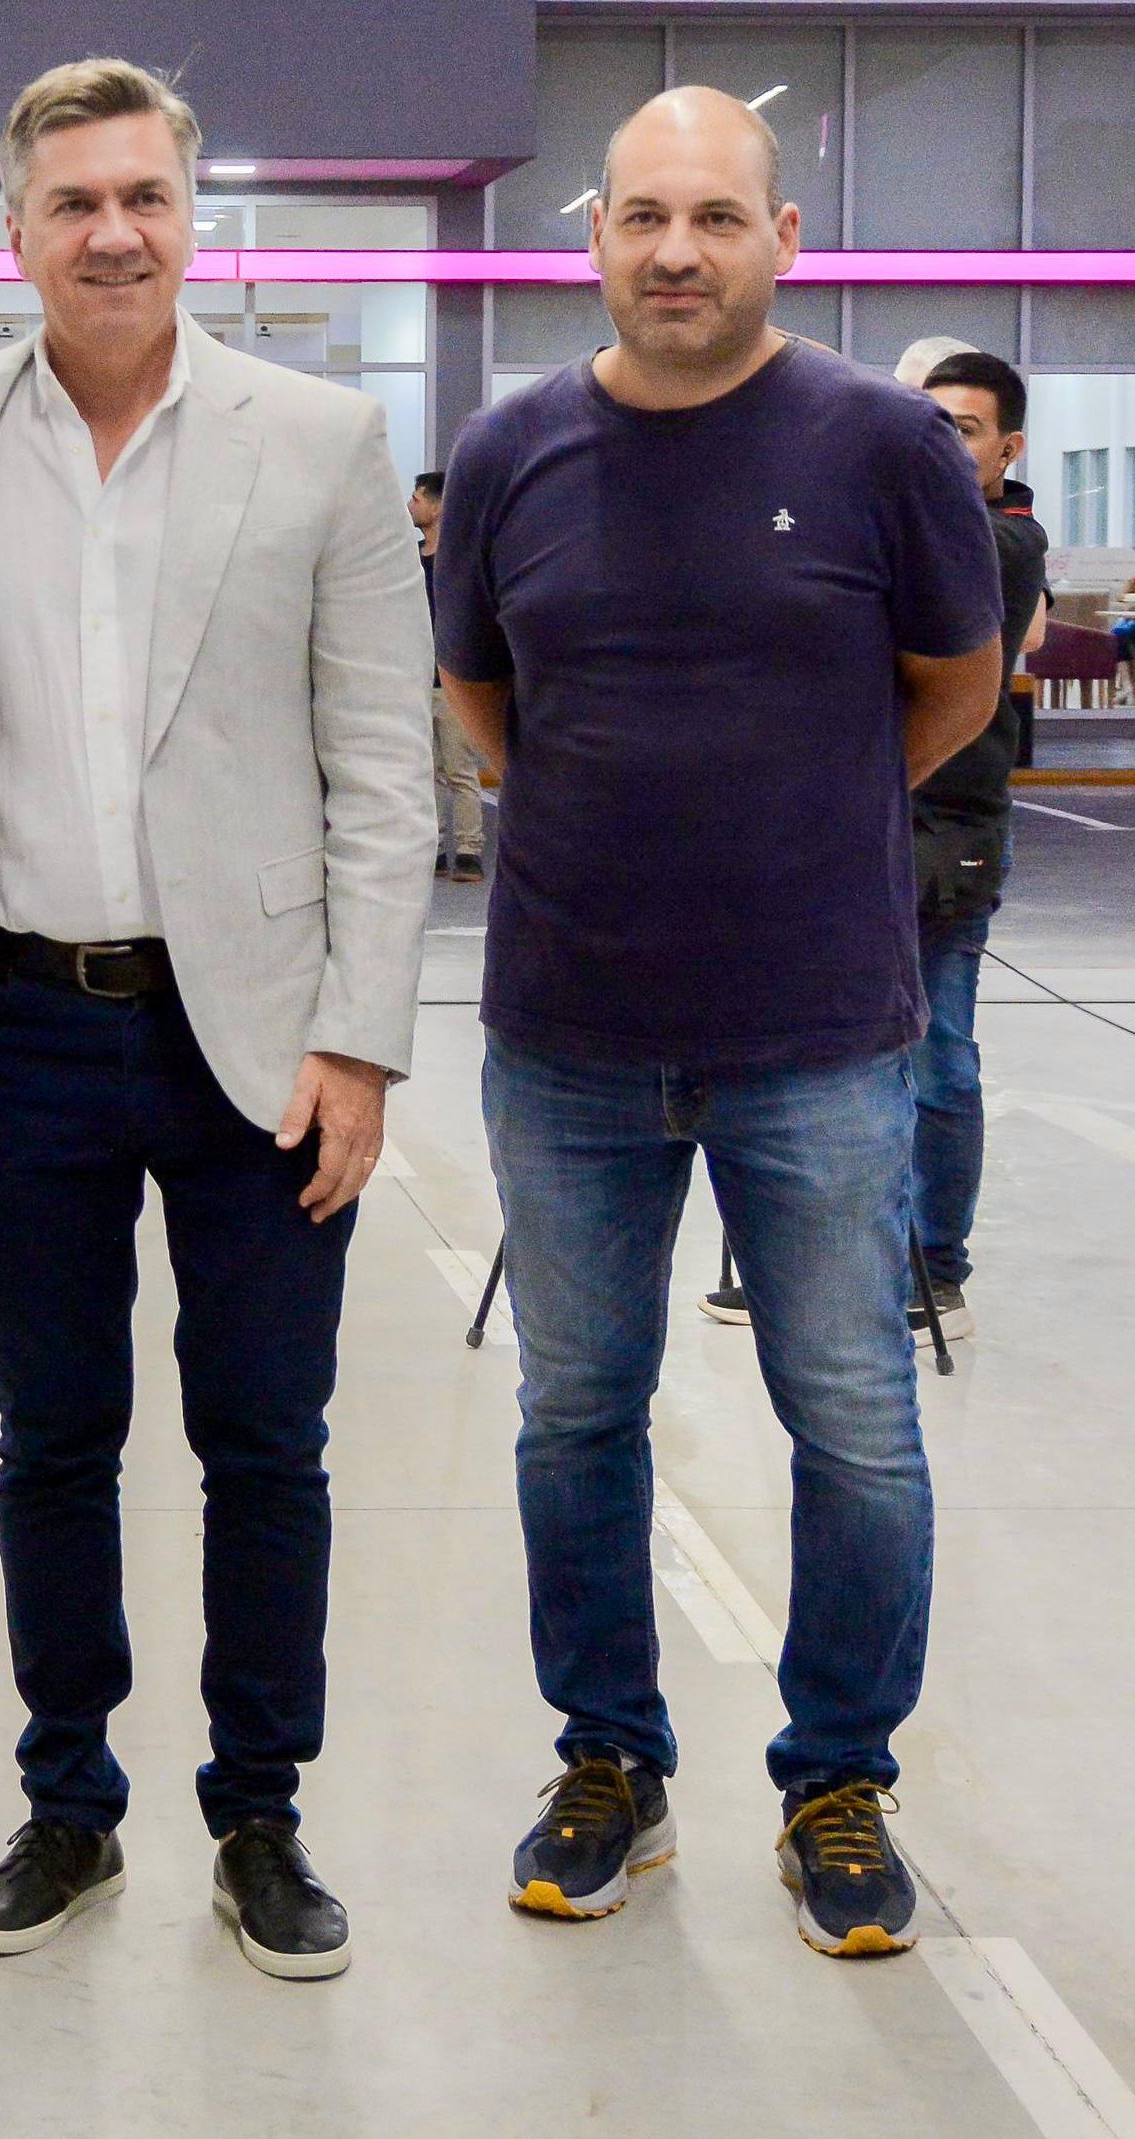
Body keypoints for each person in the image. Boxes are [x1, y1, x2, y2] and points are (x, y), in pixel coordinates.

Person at [0, 57, 436, 1983]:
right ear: (9, 228)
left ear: (194, 215)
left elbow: (383, 758)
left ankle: (260, 1813)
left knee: (266, 1436)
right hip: (13, 1018)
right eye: (70, 201)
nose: (111, 231)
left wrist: (359, 1035)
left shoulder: (317, 437)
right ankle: (67, 1800)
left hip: (262, 1032)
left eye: (144, 196)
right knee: (50, 1434)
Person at [436, 87, 1004, 1959]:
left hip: (824, 1032)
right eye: (642, 216)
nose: (676, 248)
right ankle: (608, 1756)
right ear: (590, 236)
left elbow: (948, 686)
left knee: (848, 1419)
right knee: (573, 1413)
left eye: (716, 215)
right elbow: (482, 696)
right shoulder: (514, 447)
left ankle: (836, 1770)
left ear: (779, 238)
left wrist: (793, 829)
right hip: (566, 1034)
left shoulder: (878, 446)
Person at [705, 349, 1046, 1343]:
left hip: (945, 837)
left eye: (965, 429)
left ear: (1006, 448)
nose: (941, 446)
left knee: (934, 1056)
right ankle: (792, 1260)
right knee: (798, 1055)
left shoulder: (1002, 542)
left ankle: (932, 1266)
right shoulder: (902, 520)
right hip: (832, 833)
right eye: (924, 425)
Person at [410, 470, 486, 882]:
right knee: (428, 772)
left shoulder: (459, 557)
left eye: (417, 498)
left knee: (460, 770)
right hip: (421, 680)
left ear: (438, 505)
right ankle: (436, 847)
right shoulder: (410, 559)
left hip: (453, 679)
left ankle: (469, 849)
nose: (410, 505)